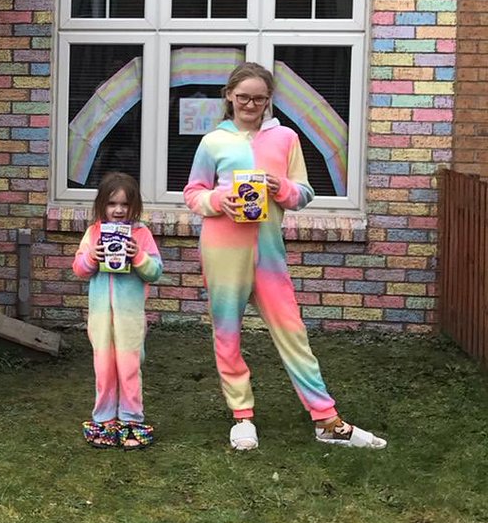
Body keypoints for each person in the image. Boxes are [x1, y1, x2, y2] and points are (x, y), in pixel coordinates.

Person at [184, 62, 387, 451]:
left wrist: (283, 189)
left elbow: (305, 193)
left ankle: (326, 419)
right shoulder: (213, 142)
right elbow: (193, 192)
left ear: (268, 100)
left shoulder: (286, 138)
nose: (250, 103)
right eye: (243, 96)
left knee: (293, 331)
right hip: (223, 248)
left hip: (269, 251)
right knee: (227, 334)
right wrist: (216, 200)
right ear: (229, 96)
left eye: (258, 98)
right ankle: (241, 418)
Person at [72, 171, 163, 450]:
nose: (119, 210)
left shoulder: (141, 234)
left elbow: (155, 271)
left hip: (130, 317)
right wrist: (91, 257)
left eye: (124, 204)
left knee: (129, 368)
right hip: (100, 318)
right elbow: (79, 269)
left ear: (134, 206)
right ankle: (104, 419)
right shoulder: (93, 233)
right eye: (112, 204)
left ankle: (131, 420)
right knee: (104, 368)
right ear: (102, 205)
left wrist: (138, 255)